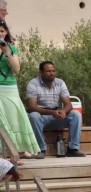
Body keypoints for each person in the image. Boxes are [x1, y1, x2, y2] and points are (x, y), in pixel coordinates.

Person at [25, 60, 85, 158]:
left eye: (53, 71)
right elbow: (32, 107)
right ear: (40, 72)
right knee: (33, 116)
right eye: (48, 71)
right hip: (41, 117)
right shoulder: (33, 83)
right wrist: (51, 112)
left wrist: (64, 111)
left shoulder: (60, 82)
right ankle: (41, 149)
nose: (52, 73)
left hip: (56, 116)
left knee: (76, 114)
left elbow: (69, 104)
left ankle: (73, 148)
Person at [0, 21, 39, 158]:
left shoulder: (11, 48)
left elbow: (17, 69)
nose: (1, 34)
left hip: (10, 87)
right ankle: (3, 153)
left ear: (6, 32)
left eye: (2, 31)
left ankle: (16, 149)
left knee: (13, 119)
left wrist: (6, 52)